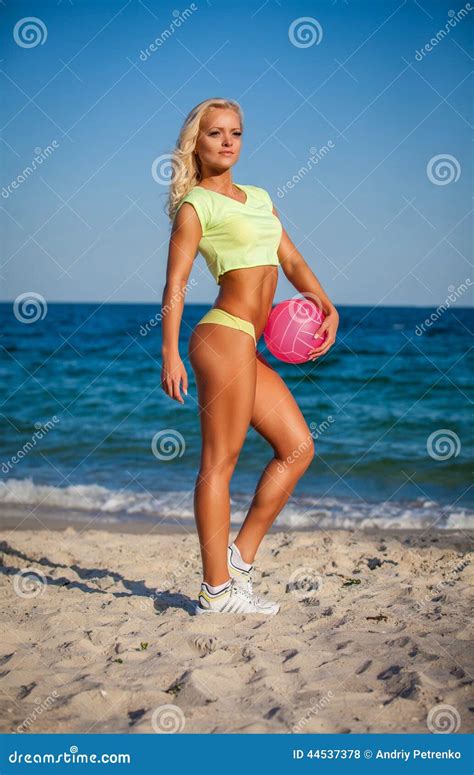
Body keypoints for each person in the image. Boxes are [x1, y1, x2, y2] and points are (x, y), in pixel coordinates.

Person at [161, 98, 339, 615]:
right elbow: (175, 284)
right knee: (219, 464)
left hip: (249, 344)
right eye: (215, 133)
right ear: (197, 141)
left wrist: (324, 303)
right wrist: (169, 351)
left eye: (235, 133)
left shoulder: (260, 198)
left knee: (298, 447)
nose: (227, 142)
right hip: (222, 337)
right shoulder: (196, 205)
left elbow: (291, 257)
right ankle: (216, 590)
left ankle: (239, 559)